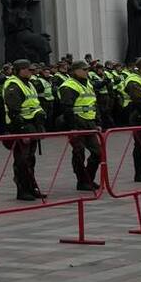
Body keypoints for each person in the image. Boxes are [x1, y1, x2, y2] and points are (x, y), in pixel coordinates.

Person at [1, 60, 45, 201]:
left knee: (30, 160)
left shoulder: (29, 83)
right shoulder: (13, 84)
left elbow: (34, 104)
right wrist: (22, 130)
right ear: (20, 70)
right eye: (29, 70)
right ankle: (22, 190)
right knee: (21, 160)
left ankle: (31, 188)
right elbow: (14, 111)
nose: (32, 72)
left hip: (31, 126)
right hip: (21, 127)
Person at [57, 61, 102, 192]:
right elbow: (67, 109)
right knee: (79, 153)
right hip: (77, 123)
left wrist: (98, 122)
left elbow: (94, 104)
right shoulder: (68, 86)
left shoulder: (87, 83)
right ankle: (82, 181)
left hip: (89, 123)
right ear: (75, 71)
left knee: (97, 153)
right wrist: (72, 127)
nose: (87, 71)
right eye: (84, 69)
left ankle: (88, 178)